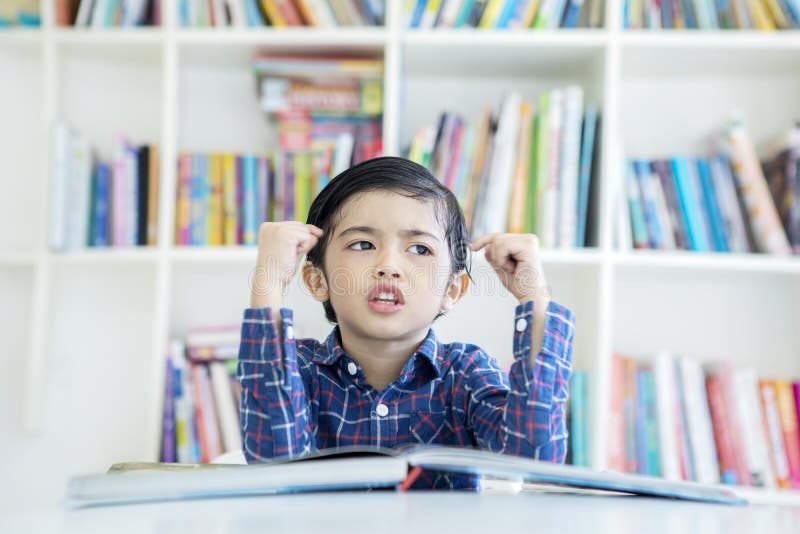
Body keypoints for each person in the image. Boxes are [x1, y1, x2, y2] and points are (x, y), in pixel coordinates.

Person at [238, 156, 575, 489]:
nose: (389, 266)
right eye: (363, 244)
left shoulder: (466, 375)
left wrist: (535, 296)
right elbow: (273, 461)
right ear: (317, 280)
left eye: (419, 248)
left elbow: (534, 459)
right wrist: (269, 284)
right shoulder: (297, 370)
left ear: (453, 289)